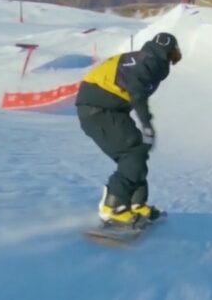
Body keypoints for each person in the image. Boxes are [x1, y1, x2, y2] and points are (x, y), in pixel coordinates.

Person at [75, 32, 182, 226]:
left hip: (104, 107)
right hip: (98, 109)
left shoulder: (141, 57)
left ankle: (135, 204)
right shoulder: (152, 62)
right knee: (132, 154)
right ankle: (112, 206)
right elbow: (136, 90)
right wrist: (146, 124)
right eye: (175, 54)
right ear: (170, 52)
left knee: (138, 152)